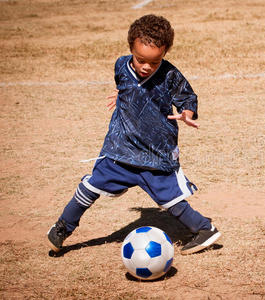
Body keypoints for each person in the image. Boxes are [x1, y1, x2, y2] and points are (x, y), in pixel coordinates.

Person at [47, 14, 221, 255]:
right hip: (121, 150)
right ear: (131, 49)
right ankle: (62, 227)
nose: (146, 66)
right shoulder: (120, 65)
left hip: (154, 154)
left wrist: (187, 113)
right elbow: (126, 85)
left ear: (165, 53)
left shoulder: (170, 75)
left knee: (171, 201)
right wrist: (123, 95)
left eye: (154, 61)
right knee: (90, 186)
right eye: (140, 60)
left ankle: (205, 229)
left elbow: (187, 97)